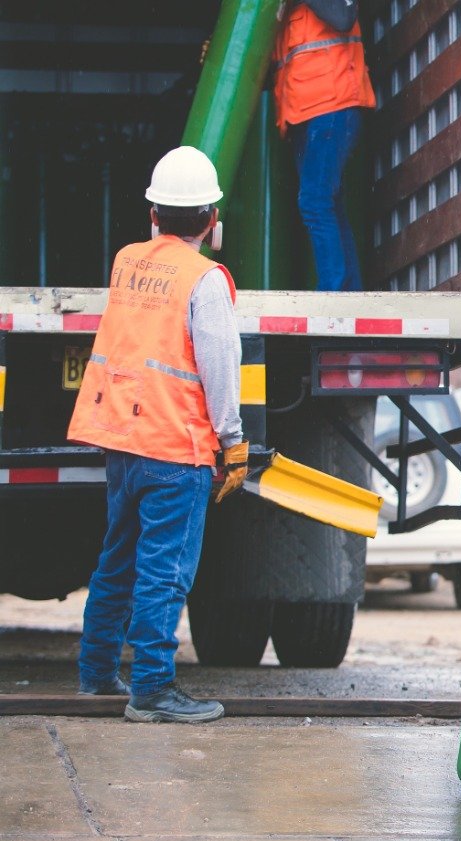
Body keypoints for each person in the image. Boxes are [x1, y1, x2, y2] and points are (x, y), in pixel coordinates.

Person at [68, 146, 247, 723]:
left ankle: (96, 676)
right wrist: (233, 441)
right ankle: (151, 690)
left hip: (123, 439)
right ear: (211, 221)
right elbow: (220, 366)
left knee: (117, 560)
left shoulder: (127, 261)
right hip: (177, 447)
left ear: (153, 214)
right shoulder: (206, 280)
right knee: (164, 571)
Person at [272, 0, 376, 291]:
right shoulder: (287, 12)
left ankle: (333, 292)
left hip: (332, 108)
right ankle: (347, 291)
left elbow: (343, 17)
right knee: (328, 202)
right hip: (303, 114)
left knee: (315, 201)